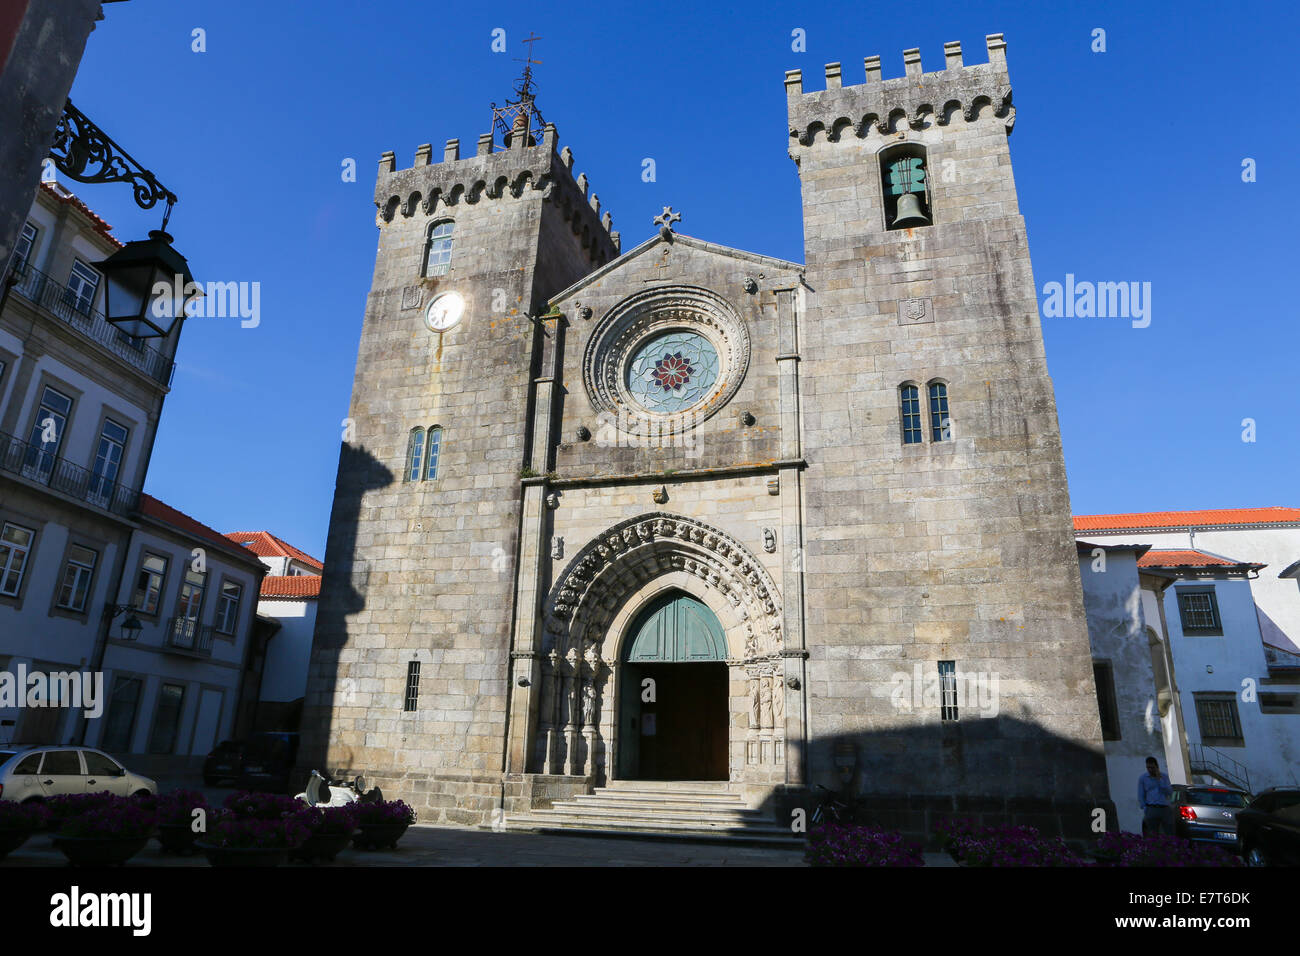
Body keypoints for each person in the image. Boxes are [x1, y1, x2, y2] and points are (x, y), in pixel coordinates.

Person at [1138, 756, 1173, 835]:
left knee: (1168, 832)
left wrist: (1159, 780)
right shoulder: (1143, 778)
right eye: (1148, 767)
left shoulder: (1164, 777)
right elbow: (1141, 794)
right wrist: (1144, 807)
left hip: (1164, 808)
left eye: (1152, 767)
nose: (1150, 770)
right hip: (1151, 808)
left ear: (1157, 767)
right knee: (1152, 833)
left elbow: (1169, 792)